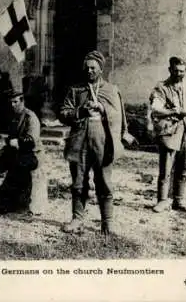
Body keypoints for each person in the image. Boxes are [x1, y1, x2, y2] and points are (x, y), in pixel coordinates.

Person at [58, 50, 130, 236]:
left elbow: (119, 116)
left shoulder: (111, 90)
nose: (89, 71)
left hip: (102, 142)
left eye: (93, 68)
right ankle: (77, 219)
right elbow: (63, 113)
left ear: (101, 70)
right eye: (87, 68)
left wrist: (102, 108)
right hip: (79, 142)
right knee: (78, 182)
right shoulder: (76, 90)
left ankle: (107, 222)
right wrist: (80, 111)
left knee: (104, 182)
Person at [0, 86, 43, 221]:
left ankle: (10, 207)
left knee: (17, 169)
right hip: (14, 152)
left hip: (31, 154)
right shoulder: (12, 116)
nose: (12, 105)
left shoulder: (30, 117)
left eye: (15, 102)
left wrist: (18, 141)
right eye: (11, 102)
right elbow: (8, 136)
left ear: (22, 101)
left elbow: (31, 140)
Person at [149, 57, 186, 213]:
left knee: (184, 168)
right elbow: (155, 109)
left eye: (182, 71)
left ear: (185, 71)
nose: (179, 74)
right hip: (169, 133)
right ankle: (162, 200)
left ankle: (178, 200)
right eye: (176, 70)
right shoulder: (161, 88)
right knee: (165, 169)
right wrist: (173, 112)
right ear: (170, 70)